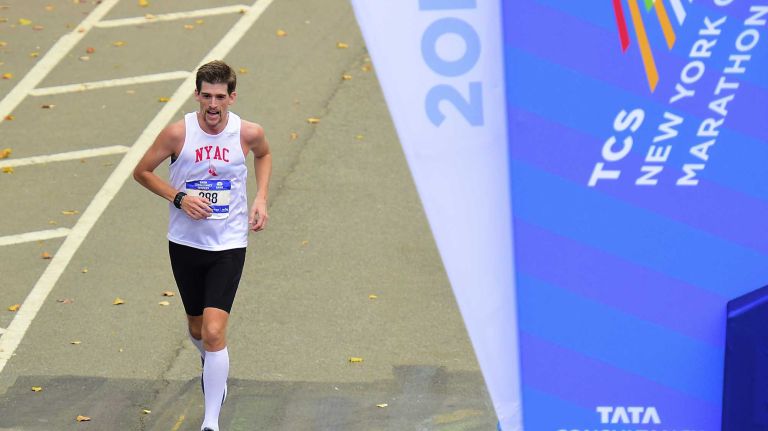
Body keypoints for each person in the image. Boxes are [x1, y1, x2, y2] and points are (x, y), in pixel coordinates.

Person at [133, 60, 271, 431]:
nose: (213, 105)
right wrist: (179, 198)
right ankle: (212, 365)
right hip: (185, 243)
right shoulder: (178, 134)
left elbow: (264, 154)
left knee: (213, 330)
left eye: (220, 97)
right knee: (196, 328)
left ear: (232, 97)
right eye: (206, 96)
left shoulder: (247, 132)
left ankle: (211, 421)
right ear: (197, 95)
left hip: (227, 244)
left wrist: (260, 198)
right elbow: (141, 171)